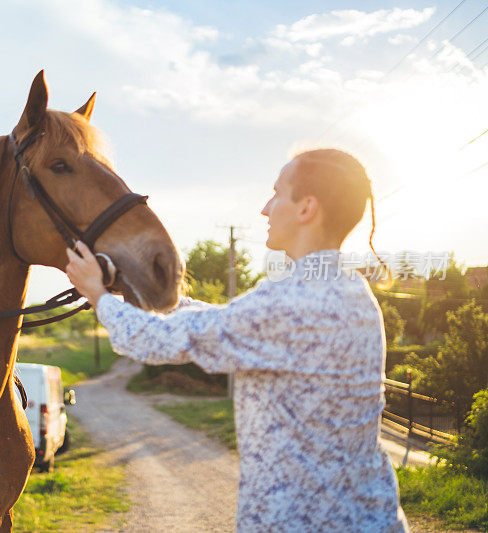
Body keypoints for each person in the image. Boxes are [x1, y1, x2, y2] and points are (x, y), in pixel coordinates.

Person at [65, 149, 409, 532]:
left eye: (277, 193)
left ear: (306, 208)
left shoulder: (293, 301)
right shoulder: (349, 292)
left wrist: (97, 294)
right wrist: (143, 292)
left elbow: (157, 341)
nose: (265, 208)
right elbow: (221, 322)